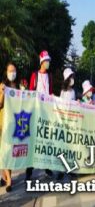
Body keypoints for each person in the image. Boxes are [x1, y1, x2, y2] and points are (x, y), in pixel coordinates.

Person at [26, 51, 53, 181]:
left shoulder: (50, 76)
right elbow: (31, 93)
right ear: (41, 62)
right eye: (46, 61)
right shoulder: (34, 75)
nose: (48, 63)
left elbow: (51, 93)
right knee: (34, 142)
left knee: (46, 141)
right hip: (37, 112)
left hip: (46, 113)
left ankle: (47, 168)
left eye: (48, 61)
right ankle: (29, 169)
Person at [0, 63, 18, 192]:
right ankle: (9, 181)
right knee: (5, 152)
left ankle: (6, 177)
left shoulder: (17, 87)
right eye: (10, 70)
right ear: (6, 72)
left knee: (10, 153)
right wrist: (1, 93)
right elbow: (0, 104)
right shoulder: (2, 86)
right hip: (3, 124)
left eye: (14, 70)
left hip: (14, 124)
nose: (12, 72)